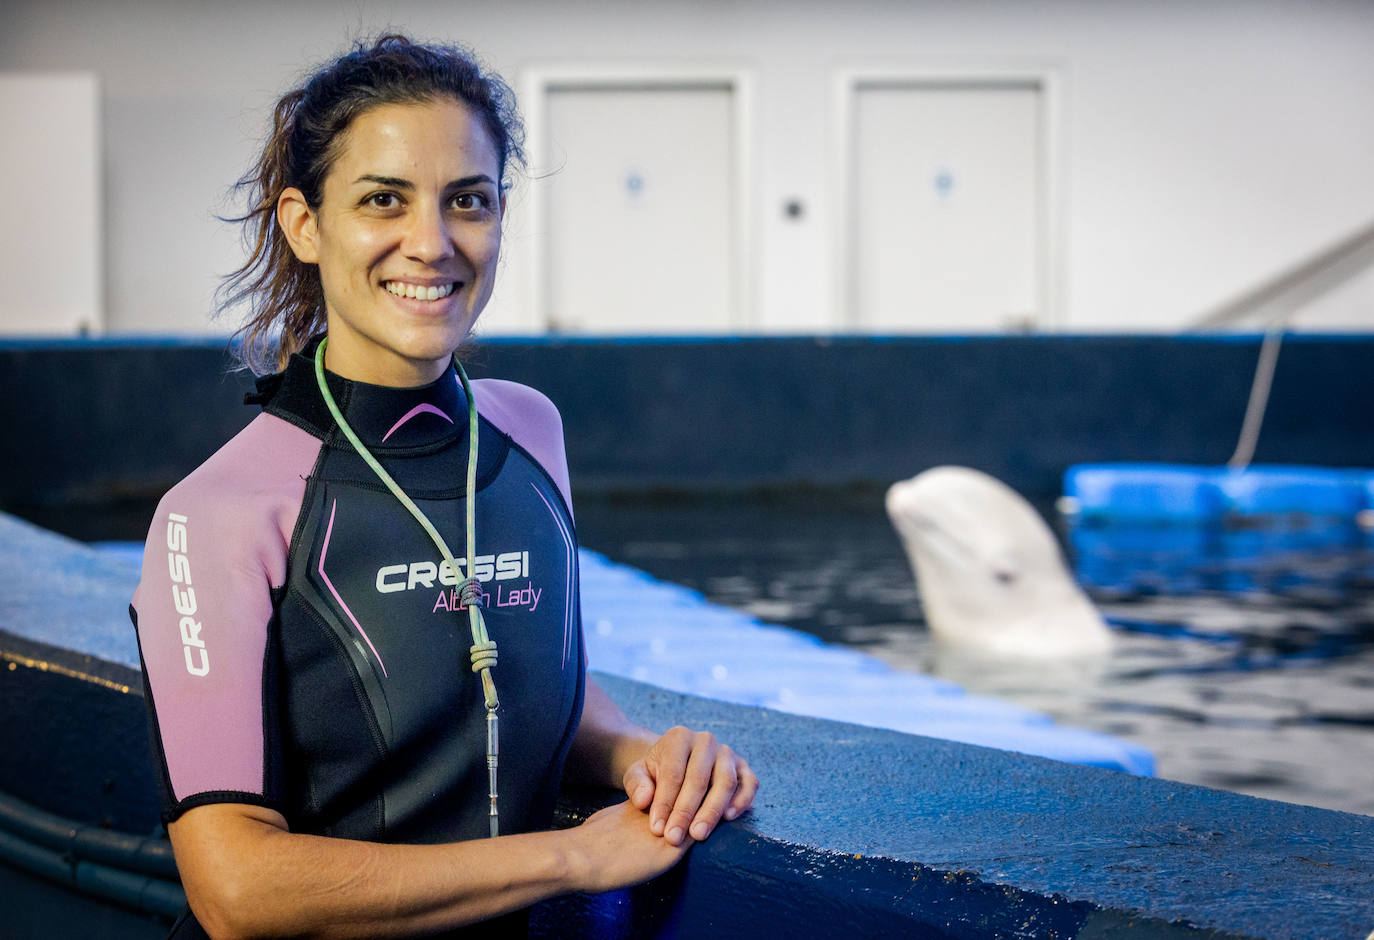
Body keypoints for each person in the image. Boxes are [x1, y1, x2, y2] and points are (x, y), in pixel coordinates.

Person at [131, 34, 757, 939]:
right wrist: (574, 857)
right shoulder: (217, 512)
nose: (430, 244)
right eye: (383, 199)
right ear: (304, 223)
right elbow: (235, 887)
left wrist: (645, 758)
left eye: (467, 201)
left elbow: (527, 684)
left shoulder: (529, 432)